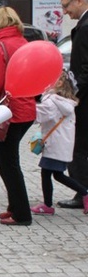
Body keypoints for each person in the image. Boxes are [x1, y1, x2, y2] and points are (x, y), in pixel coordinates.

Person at [0, 7, 35, 226]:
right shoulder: (23, 42)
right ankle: (14, 207)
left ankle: (22, 214)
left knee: (7, 161)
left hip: (9, 110)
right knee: (6, 158)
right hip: (26, 107)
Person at [30, 71, 88, 215]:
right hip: (60, 144)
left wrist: (27, 106)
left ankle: (50, 204)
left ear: (60, 84)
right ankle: (49, 204)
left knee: (52, 174)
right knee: (55, 174)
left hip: (54, 144)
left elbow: (40, 114)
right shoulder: (66, 103)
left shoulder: (53, 101)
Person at [57, 0, 88, 209]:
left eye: (66, 6)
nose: (65, 11)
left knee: (77, 148)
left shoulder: (86, 27)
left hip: (84, 100)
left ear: (78, 0)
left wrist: (74, 95)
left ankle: (82, 193)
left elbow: (85, 68)